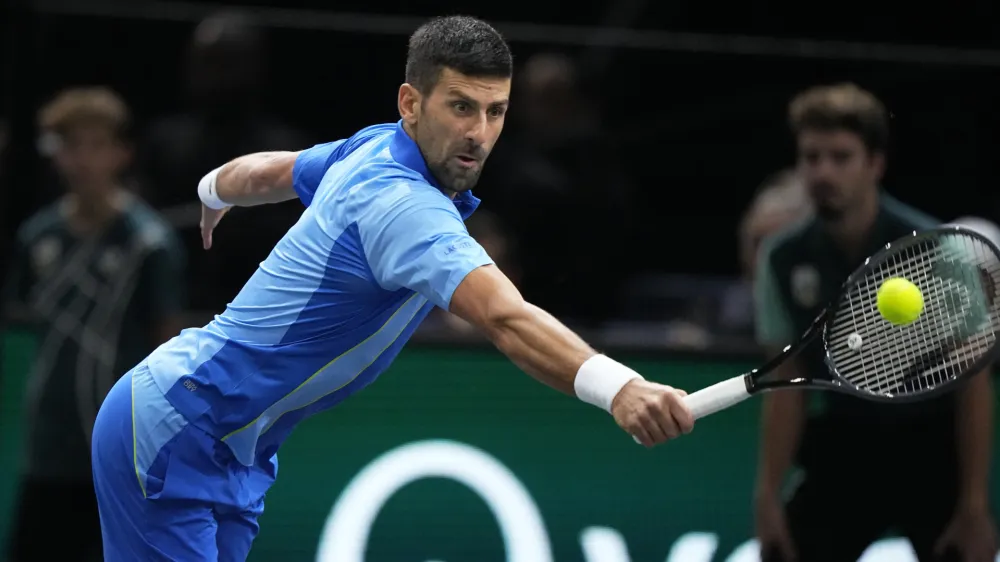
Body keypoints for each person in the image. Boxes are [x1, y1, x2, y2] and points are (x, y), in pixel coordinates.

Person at [90, 15, 695, 562]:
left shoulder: (372, 144)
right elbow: (506, 318)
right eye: (460, 107)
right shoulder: (403, 207)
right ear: (411, 102)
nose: (479, 133)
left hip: (230, 447)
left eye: (496, 111)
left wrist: (212, 191)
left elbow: (272, 171)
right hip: (179, 428)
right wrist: (620, 388)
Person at [753, 83, 997, 562]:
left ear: (875, 164)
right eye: (812, 157)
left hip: (933, 449)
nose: (823, 172)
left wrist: (974, 503)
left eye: (840, 157)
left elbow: (974, 383)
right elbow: (786, 382)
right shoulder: (782, 257)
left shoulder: (937, 250)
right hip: (846, 447)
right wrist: (766, 495)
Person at [2, 87, 186, 562]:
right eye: (69, 145)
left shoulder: (149, 245)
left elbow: (165, 348)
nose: (82, 159)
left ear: (121, 153)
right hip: (47, 446)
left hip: (118, 448)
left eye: (95, 144)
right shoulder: (36, 237)